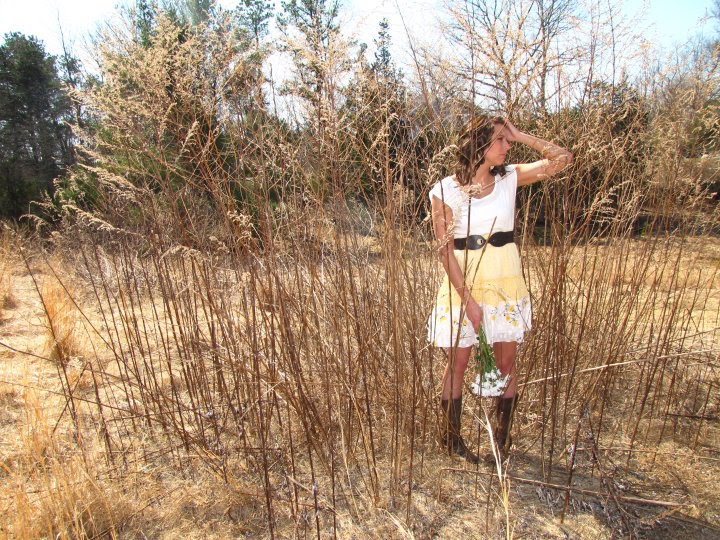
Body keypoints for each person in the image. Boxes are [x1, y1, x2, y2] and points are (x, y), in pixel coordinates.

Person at [427, 115, 572, 463]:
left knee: (506, 362)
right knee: (458, 362)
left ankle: (500, 441)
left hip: (506, 280)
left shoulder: (509, 177)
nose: (507, 146)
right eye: (501, 140)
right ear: (479, 144)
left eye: (508, 140)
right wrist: (468, 301)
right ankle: (451, 440)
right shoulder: (444, 190)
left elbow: (563, 159)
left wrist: (521, 135)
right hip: (464, 282)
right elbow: (444, 251)